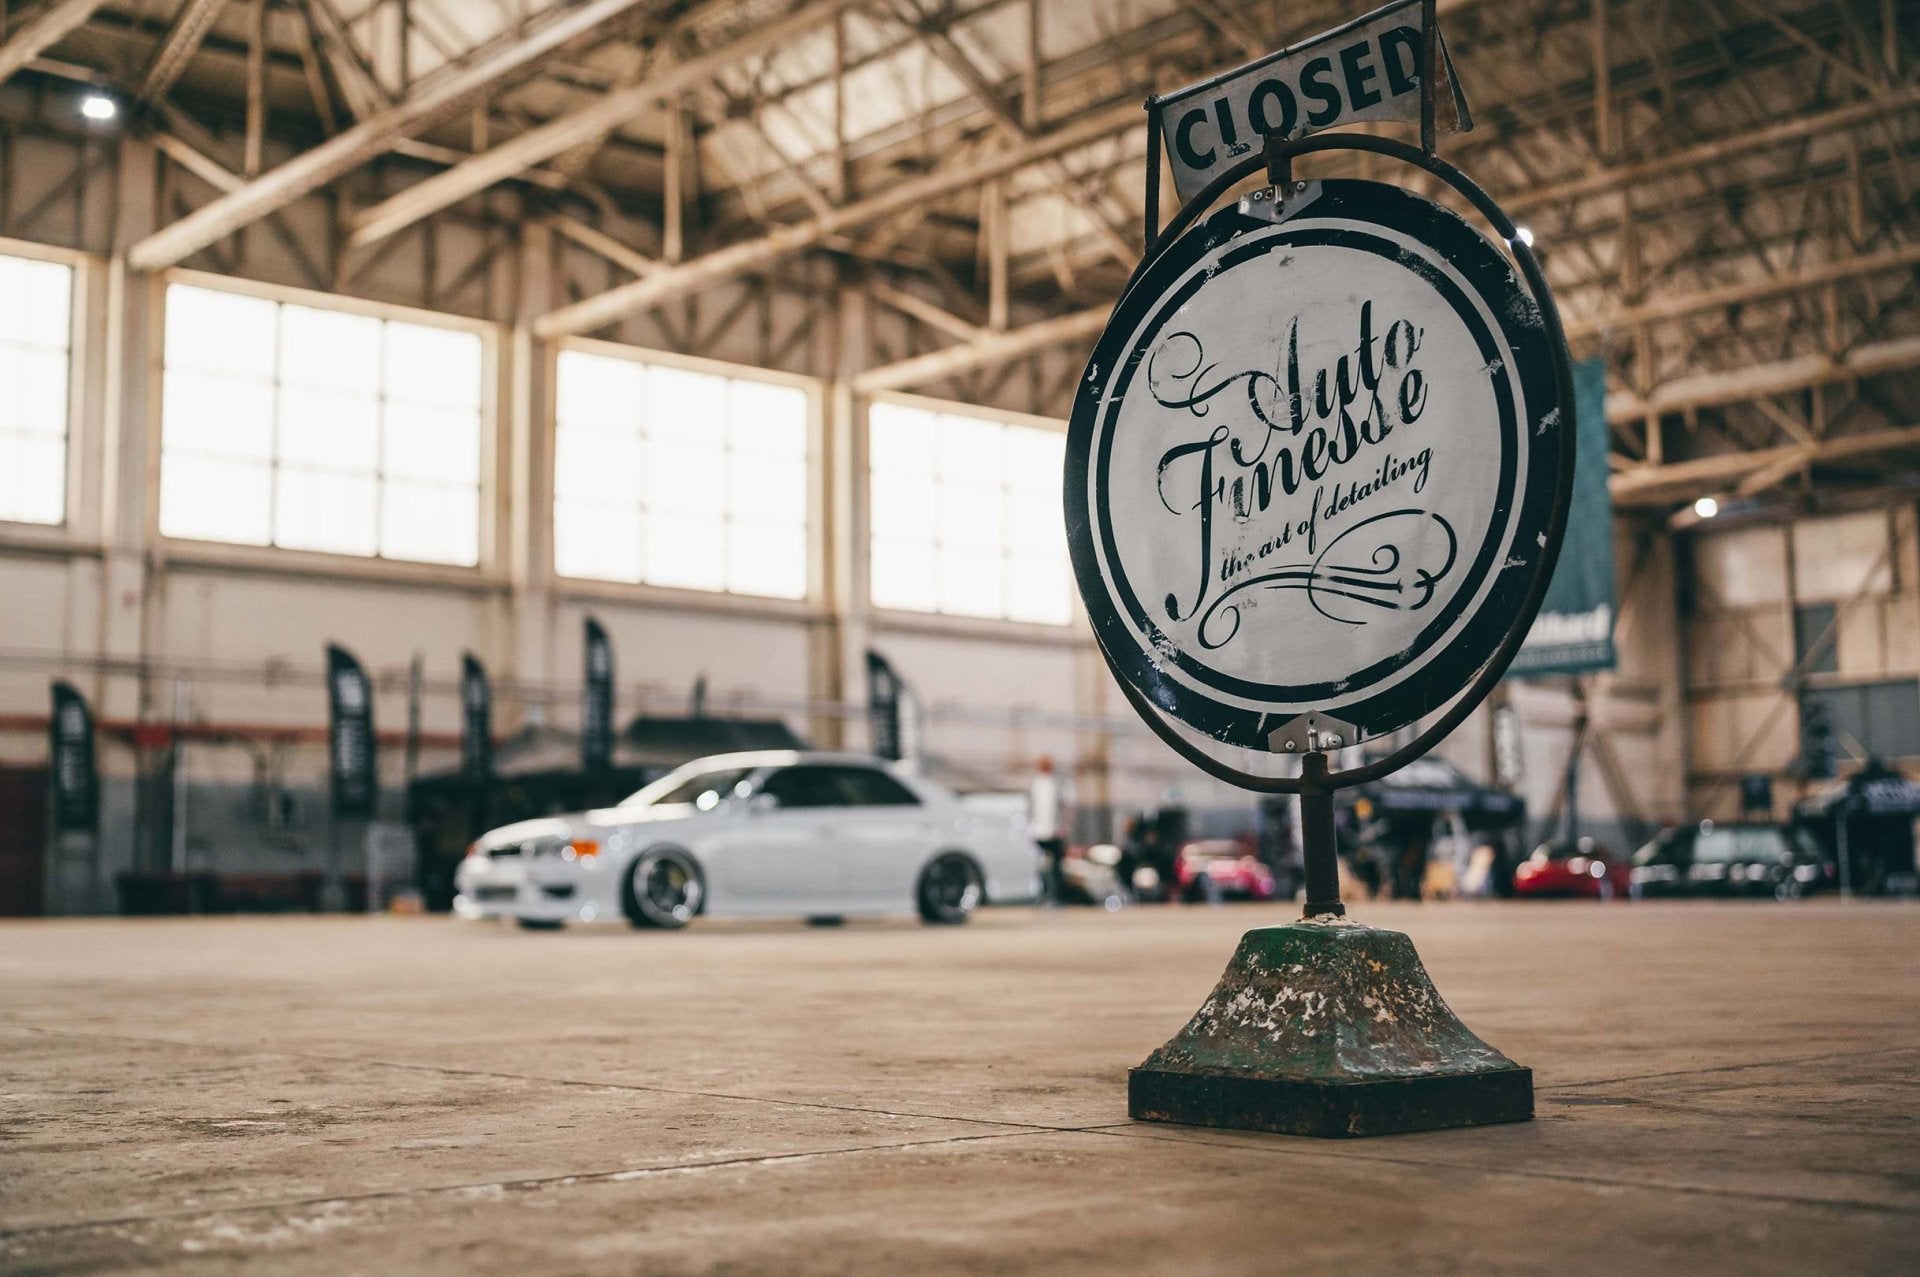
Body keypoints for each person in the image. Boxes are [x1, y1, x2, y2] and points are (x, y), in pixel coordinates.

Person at [1030, 756, 1067, 905]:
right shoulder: (1035, 783)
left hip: (1055, 831)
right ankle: (1043, 895)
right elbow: (1031, 806)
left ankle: (1057, 897)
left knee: (1056, 866)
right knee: (1041, 866)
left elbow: (1066, 805)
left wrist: (1063, 826)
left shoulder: (1058, 783)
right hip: (1038, 832)